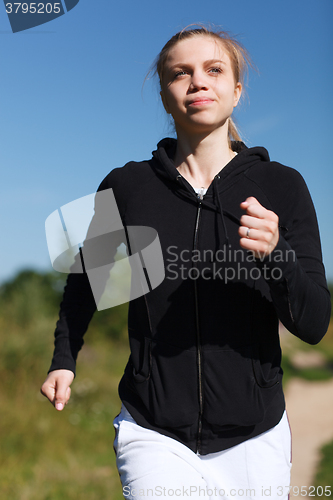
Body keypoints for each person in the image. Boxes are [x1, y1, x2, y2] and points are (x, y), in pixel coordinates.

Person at [41, 25, 331, 499]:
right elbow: (86, 280)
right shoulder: (126, 185)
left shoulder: (283, 185)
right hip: (153, 430)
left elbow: (315, 322)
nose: (198, 82)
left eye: (214, 70)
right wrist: (64, 360)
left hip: (255, 435)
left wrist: (276, 254)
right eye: (181, 73)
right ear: (164, 94)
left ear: (236, 91)